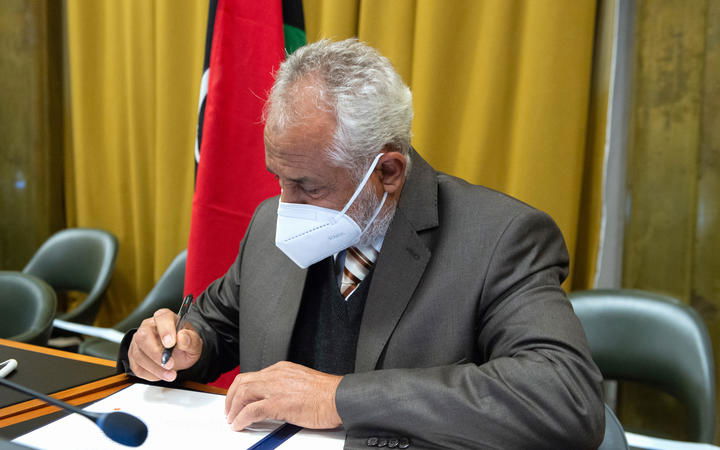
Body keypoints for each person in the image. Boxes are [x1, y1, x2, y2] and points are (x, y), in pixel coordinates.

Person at [121, 39, 605, 449]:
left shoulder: (499, 238)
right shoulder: (272, 223)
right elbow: (214, 325)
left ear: (388, 171)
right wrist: (174, 346)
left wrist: (339, 397)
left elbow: (564, 396)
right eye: (279, 179)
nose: (285, 204)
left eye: (310, 187)